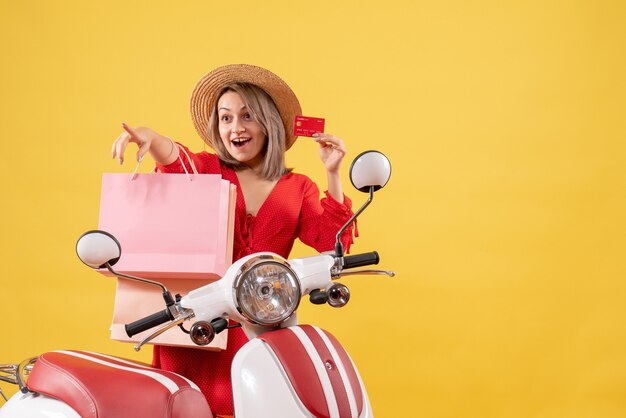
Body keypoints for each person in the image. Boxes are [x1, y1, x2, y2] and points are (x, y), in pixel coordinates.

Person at [111, 64, 356, 416]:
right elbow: (176, 159)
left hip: (262, 321)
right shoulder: (209, 170)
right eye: (225, 118)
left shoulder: (298, 186)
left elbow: (329, 245)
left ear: (268, 124)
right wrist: (150, 137)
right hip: (202, 314)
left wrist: (333, 173)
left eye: (247, 116)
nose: (235, 128)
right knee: (186, 406)